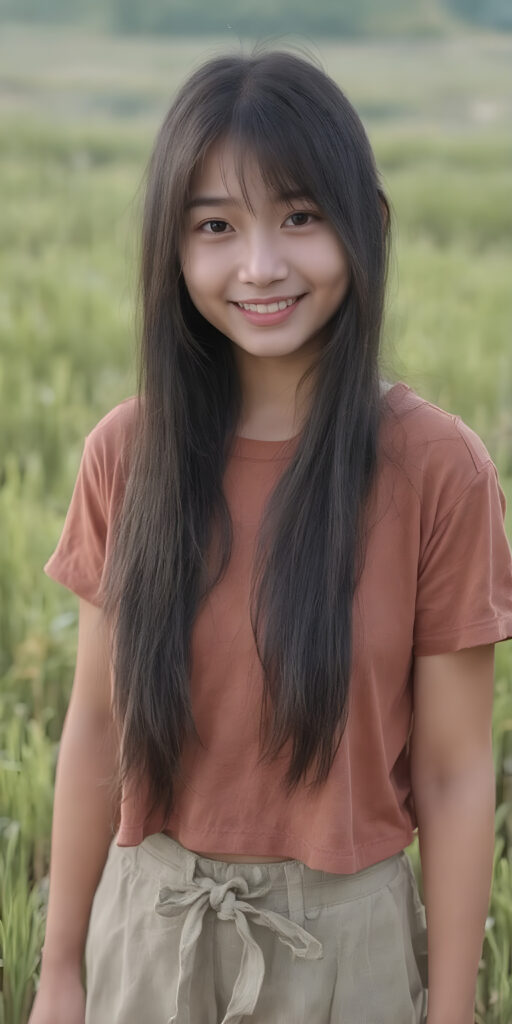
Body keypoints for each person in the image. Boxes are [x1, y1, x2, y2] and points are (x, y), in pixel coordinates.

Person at [30, 47, 512, 1024]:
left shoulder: (437, 470)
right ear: (174, 248)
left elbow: (457, 772)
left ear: (364, 226)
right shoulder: (127, 455)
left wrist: (450, 1009)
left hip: (348, 950)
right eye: (216, 225)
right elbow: (93, 727)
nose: (258, 265)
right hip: (149, 931)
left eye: (298, 216)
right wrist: (61, 971)